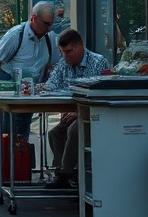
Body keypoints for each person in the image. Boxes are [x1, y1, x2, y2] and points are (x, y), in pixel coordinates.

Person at [39, 29, 108, 189]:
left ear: (80, 46)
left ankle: (66, 172)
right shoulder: (63, 64)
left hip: (93, 114)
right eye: (62, 52)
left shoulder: (97, 62)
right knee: (54, 133)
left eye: (69, 51)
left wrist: (78, 112)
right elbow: (50, 86)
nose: (65, 56)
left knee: (74, 130)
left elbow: (97, 94)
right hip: (70, 114)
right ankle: (63, 174)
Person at [0, 1, 61, 139]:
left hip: (30, 91)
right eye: (46, 24)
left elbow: (53, 64)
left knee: (22, 135)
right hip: (10, 87)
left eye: (51, 24)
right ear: (33, 18)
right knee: (5, 133)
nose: (48, 28)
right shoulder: (16, 35)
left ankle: (21, 151)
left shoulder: (49, 37)